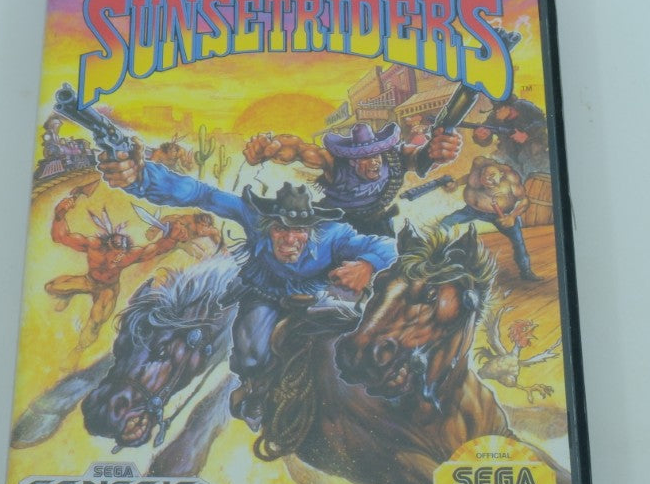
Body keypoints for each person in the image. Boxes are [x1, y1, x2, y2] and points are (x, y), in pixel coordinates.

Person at [98, 142, 396, 428]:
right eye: (280, 229)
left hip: (317, 296)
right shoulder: (253, 218)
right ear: (268, 226)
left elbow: (388, 247)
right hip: (266, 294)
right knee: (250, 353)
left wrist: (368, 264)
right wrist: (142, 178)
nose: (289, 239)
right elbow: (202, 194)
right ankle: (254, 392)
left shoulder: (334, 234)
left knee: (351, 338)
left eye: (298, 231)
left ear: (311, 230)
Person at [242, 121, 462, 236]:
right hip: (335, 221)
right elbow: (300, 150)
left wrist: (436, 151)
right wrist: (273, 148)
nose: (374, 162)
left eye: (376, 155)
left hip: (376, 221)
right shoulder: (335, 163)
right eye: (365, 157)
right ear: (353, 160)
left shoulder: (394, 157)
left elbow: (419, 158)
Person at [45, 189, 183, 352]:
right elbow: (61, 237)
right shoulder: (93, 245)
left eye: (121, 250)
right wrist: (59, 215)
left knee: (96, 322)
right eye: (115, 248)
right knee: (51, 287)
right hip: (89, 281)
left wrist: (173, 238)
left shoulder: (130, 255)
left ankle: (79, 350)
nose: (117, 254)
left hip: (108, 289)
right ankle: (68, 294)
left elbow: (157, 249)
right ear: (107, 243)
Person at [438, 157, 541, 281]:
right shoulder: (477, 174)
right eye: (484, 175)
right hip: (472, 211)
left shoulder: (511, 179)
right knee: (445, 223)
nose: (487, 178)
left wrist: (512, 217)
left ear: (501, 174)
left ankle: (526, 271)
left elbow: (524, 200)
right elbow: (469, 178)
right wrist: (456, 184)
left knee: (518, 241)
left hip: (501, 216)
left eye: (492, 175)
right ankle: (439, 259)